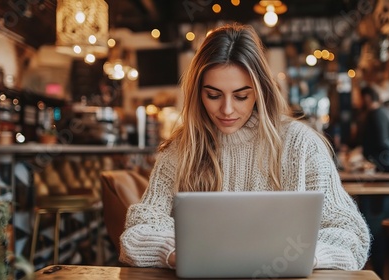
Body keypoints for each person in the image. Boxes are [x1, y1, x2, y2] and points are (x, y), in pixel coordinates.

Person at [119, 23, 370, 270]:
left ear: (260, 91)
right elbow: (137, 233)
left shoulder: (302, 145)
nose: (227, 109)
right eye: (213, 95)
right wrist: (179, 253)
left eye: (241, 96)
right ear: (197, 94)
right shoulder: (180, 150)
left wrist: (305, 257)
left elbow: (350, 234)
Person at [359, 86, 389, 173]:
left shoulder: (376, 114)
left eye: (360, 98)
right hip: (384, 161)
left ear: (367, 97)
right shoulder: (382, 112)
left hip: (382, 163)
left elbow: (381, 140)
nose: (359, 102)